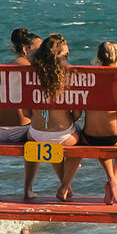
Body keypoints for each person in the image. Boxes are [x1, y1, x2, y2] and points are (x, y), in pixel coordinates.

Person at [77, 40, 117, 206]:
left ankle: (111, 179)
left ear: (98, 57)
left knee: (104, 140)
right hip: (115, 137)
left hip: (90, 136)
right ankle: (113, 180)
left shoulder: (88, 79)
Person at [26, 34, 81, 203]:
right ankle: (64, 186)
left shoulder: (30, 73)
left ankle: (66, 187)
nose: (67, 59)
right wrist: (69, 117)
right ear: (59, 56)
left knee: (53, 143)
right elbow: (78, 114)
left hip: (34, 135)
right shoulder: (71, 73)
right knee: (81, 144)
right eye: (65, 56)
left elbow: (26, 113)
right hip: (62, 135)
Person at [0, 28, 42, 205]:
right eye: (38, 50)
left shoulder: (5, 66)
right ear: (25, 49)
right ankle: (28, 189)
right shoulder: (30, 70)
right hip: (20, 132)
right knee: (44, 137)